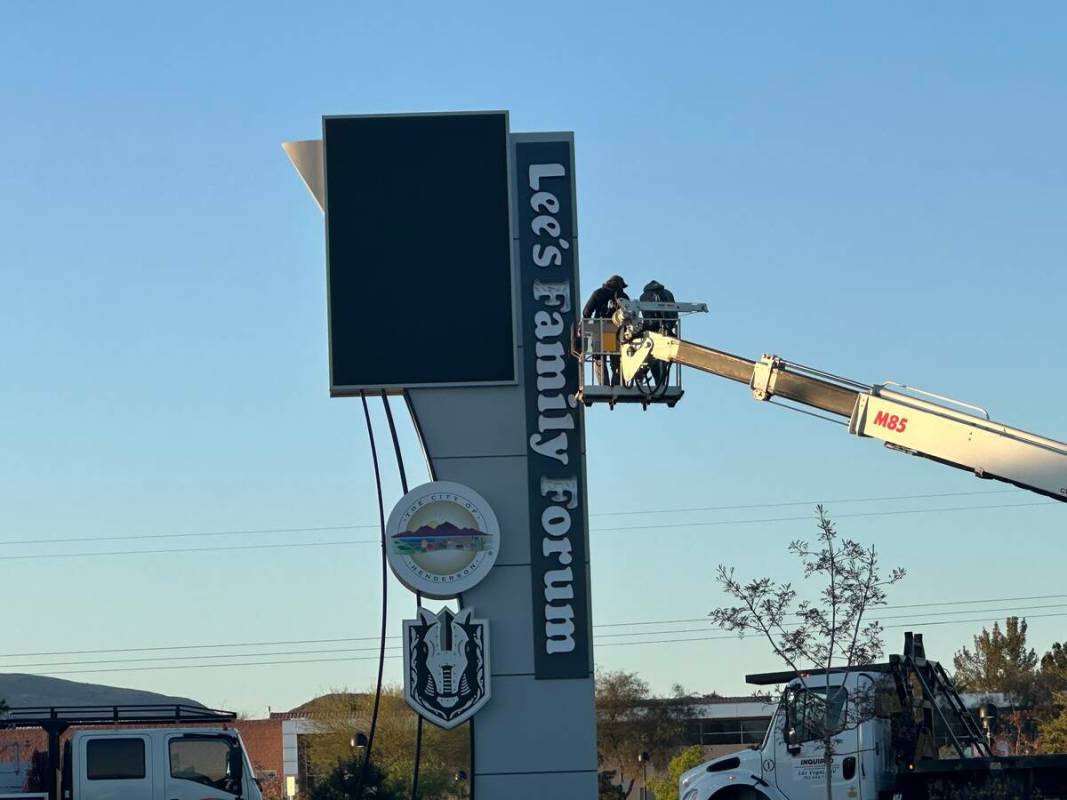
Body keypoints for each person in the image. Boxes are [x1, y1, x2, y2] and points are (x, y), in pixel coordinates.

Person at [582, 275, 629, 385]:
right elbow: (629, 315)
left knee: (599, 358)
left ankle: (604, 384)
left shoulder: (598, 293)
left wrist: (584, 326)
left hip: (599, 329)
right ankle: (617, 383)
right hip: (616, 331)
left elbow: (586, 312)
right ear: (619, 285)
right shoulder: (623, 296)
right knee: (616, 358)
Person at [638, 280, 677, 387]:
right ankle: (661, 383)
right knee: (663, 359)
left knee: (650, 356)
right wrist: (669, 326)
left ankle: (642, 375)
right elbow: (673, 313)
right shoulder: (668, 294)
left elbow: (647, 314)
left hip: (652, 331)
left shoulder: (644, 296)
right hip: (667, 330)